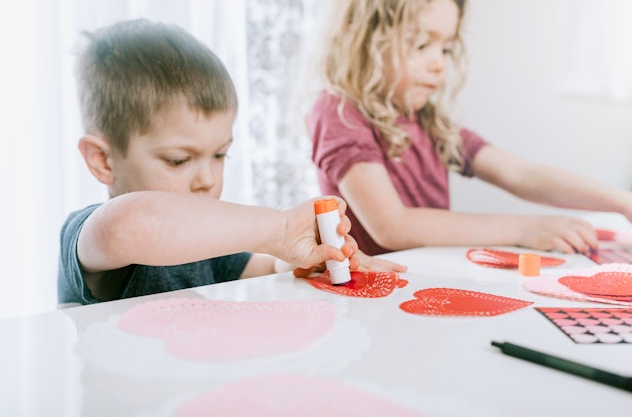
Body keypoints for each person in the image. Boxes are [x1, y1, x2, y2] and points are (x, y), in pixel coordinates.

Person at [58, 19, 405, 307]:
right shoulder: (89, 235)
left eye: (220, 154)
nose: (207, 179)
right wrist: (279, 228)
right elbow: (129, 225)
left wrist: (306, 257)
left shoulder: (208, 247)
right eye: (179, 160)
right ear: (103, 160)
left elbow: (265, 265)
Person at [307, 0, 632, 256]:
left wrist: (620, 201)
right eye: (421, 44)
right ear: (363, 39)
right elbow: (392, 226)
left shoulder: (427, 121)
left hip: (423, 282)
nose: (439, 63)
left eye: (446, 49)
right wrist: (522, 229)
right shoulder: (338, 113)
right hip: (368, 303)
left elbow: (519, 174)